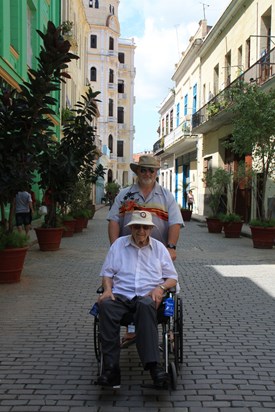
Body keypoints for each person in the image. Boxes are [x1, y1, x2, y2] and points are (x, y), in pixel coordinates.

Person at [97, 211, 178, 388]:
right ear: (131, 228)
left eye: (145, 227)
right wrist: (107, 290)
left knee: (145, 304)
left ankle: (154, 368)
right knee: (105, 305)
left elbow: (172, 277)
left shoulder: (159, 249)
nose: (141, 230)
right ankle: (111, 370)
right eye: (137, 226)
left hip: (149, 299)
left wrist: (161, 287)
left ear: (150, 229)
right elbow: (107, 273)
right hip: (121, 297)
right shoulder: (118, 245)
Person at [107, 155, 183, 262]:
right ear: (137, 171)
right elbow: (114, 221)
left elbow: (175, 223)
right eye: (143, 170)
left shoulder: (167, 196)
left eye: (151, 171)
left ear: (156, 172)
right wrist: (114, 248)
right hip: (127, 255)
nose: (147, 174)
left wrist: (171, 247)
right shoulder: (124, 195)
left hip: (158, 256)